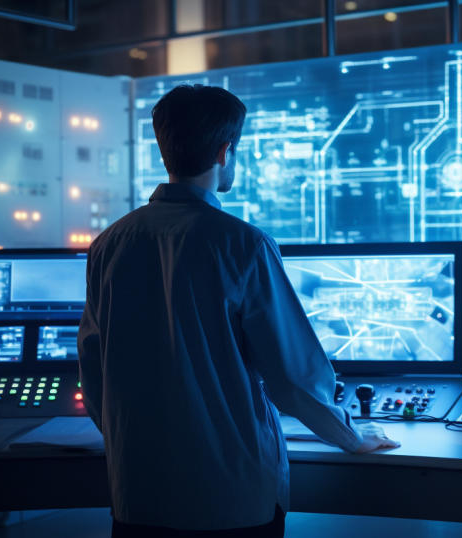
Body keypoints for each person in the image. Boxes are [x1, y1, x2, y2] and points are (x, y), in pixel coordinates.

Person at [78, 84, 399, 538]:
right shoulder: (244, 245)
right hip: (229, 501)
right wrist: (352, 436)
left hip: (138, 499)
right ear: (226, 151)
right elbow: (293, 379)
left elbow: (94, 371)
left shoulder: (109, 244)